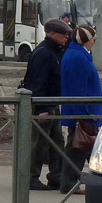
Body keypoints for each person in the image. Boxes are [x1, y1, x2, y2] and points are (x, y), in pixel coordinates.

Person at [21, 18, 72, 190]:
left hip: (52, 103)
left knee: (57, 141)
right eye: (63, 34)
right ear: (52, 34)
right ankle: (31, 177)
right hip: (43, 105)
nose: (66, 37)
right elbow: (38, 81)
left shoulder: (55, 50)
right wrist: (41, 108)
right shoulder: (44, 53)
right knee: (39, 143)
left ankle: (56, 176)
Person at [60, 24, 102, 194]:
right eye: (93, 39)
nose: (94, 42)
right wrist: (85, 114)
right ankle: (69, 183)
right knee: (78, 148)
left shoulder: (78, 54)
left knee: (81, 147)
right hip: (84, 113)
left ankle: (76, 182)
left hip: (85, 112)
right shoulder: (77, 57)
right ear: (87, 40)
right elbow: (78, 88)